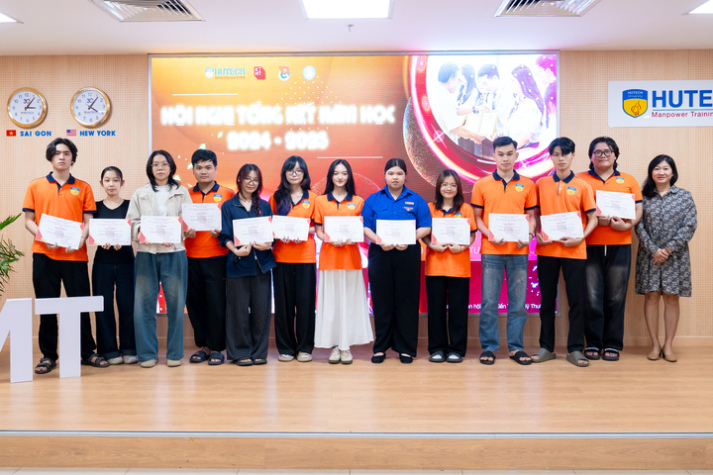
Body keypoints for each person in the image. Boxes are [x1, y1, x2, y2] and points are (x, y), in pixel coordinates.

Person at [22, 138, 108, 374]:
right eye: (57, 153)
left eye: (67, 153)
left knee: (80, 305)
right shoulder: (35, 186)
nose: (62, 157)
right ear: (50, 156)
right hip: (44, 255)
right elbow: (28, 220)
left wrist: (80, 239)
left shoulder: (83, 187)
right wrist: (42, 236)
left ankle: (87, 352)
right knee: (47, 306)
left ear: (72, 157)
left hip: (75, 256)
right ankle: (48, 355)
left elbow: (88, 221)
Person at [471, 136, 537, 365]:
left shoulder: (528, 185)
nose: (505, 158)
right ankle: (489, 347)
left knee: (518, 304)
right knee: (489, 302)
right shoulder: (481, 184)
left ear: (516, 155)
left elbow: (532, 217)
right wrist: (489, 234)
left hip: (519, 252)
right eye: (501, 154)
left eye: (510, 154)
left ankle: (516, 348)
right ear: (494, 156)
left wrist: (528, 235)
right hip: (492, 251)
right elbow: (477, 218)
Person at [533, 137, 598, 367]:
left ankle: (575, 349)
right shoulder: (540, 184)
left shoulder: (582, 185)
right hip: (547, 250)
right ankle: (546, 347)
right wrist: (535, 232)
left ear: (573, 156)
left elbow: (593, 218)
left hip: (575, 251)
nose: (560, 158)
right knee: (546, 301)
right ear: (550, 157)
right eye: (556, 154)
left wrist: (581, 237)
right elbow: (534, 215)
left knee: (577, 302)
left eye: (565, 154)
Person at [577, 137, 642, 362]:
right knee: (591, 297)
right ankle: (593, 342)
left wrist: (626, 225)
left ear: (615, 155)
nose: (603, 155)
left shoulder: (629, 180)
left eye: (608, 151)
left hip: (620, 244)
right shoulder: (580, 179)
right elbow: (573, 208)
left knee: (616, 296)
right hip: (589, 245)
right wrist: (594, 220)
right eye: (598, 151)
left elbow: (638, 210)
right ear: (590, 156)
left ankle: (612, 343)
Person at [362, 158, 432, 364]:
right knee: (381, 300)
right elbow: (365, 227)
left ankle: (405, 348)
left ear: (405, 176)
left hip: (407, 253)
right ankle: (380, 348)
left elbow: (426, 226)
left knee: (407, 300)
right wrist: (379, 240)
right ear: (385, 176)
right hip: (380, 253)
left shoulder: (417, 200)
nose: (395, 177)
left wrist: (409, 238)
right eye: (391, 173)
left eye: (399, 173)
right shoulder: (373, 200)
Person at [127, 150, 190, 368]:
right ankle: (147, 354)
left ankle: (174, 354)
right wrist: (146, 233)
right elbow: (131, 224)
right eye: (155, 164)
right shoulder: (140, 193)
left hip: (174, 252)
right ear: (150, 168)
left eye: (164, 164)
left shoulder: (182, 192)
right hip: (146, 253)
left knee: (176, 305)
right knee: (143, 306)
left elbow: (188, 224)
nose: (160, 168)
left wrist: (177, 233)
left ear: (171, 167)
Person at [635, 155, 696, 363]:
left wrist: (668, 249)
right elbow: (638, 225)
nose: (661, 172)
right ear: (651, 172)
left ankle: (668, 345)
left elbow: (690, 225)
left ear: (672, 172)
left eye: (665, 168)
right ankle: (654, 344)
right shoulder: (642, 197)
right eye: (657, 168)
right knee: (651, 296)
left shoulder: (684, 196)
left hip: (675, 255)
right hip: (649, 255)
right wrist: (654, 250)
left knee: (671, 297)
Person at [313, 159, 373, 364]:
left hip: (351, 259)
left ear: (349, 177)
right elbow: (319, 231)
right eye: (336, 173)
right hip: (329, 258)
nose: (340, 177)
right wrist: (329, 238)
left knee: (349, 304)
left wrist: (352, 237)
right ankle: (335, 346)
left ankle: (346, 347)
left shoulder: (359, 201)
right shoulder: (320, 201)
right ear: (330, 176)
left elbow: (362, 230)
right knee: (331, 304)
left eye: (344, 173)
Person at [219, 164, 275, 366]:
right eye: (248, 178)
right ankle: (240, 352)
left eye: (256, 180)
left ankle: (259, 352)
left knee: (261, 311)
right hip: (238, 264)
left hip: (261, 265)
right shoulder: (229, 206)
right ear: (239, 179)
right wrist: (235, 250)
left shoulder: (265, 206)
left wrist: (268, 244)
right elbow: (224, 236)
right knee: (238, 310)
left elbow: (271, 236)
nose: (252, 183)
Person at [184, 149, 235, 366]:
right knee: (195, 303)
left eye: (208, 167)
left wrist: (222, 231)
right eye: (199, 167)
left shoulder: (228, 193)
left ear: (215, 169)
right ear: (193, 170)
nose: (203, 171)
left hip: (218, 257)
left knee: (216, 303)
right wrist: (184, 231)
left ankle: (216, 347)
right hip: (190, 257)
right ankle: (203, 345)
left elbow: (235, 224)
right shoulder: (185, 195)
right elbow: (177, 222)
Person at [422, 169, 476, 363]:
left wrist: (462, 247)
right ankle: (437, 349)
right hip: (435, 267)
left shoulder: (466, 209)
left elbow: (472, 235)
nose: (449, 188)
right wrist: (431, 245)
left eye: (453, 185)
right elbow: (425, 234)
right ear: (438, 186)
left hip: (459, 267)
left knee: (458, 311)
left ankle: (456, 349)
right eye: (445, 184)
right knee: (435, 311)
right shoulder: (429, 208)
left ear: (458, 188)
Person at [269, 156, 317, 363]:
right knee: (283, 306)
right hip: (281, 258)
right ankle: (286, 348)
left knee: (306, 305)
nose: (294, 174)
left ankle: (305, 347)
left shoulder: (313, 198)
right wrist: (280, 233)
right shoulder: (276, 197)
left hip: (305, 257)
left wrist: (302, 231)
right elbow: (270, 225)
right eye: (290, 170)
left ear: (304, 173)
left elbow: (318, 227)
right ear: (284, 173)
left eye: (298, 170)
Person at [92, 166, 137, 365]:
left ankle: (129, 349)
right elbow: (91, 231)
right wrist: (100, 240)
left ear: (122, 183)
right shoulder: (94, 207)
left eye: (116, 180)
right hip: (102, 262)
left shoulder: (131, 206)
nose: (111, 184)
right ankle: (108, 350)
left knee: (128, 306)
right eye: (107, 180)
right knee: (104, 307)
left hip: (127, 261)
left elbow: (136, 231)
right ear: (101, 183)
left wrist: (126, 239)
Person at [504, 65, 544, 149]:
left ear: (522, 81)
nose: (511, 84)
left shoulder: (531, 104)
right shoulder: (518, 102)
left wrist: (508, 149)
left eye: (513, 80)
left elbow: (527, 136)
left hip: (527, 150)